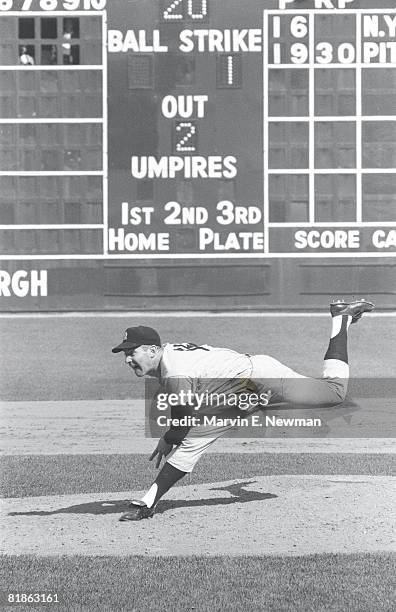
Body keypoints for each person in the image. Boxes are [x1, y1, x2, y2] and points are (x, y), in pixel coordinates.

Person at [112, 299, 374, 521]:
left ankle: (340, 320)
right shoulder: (169, 359)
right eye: (125, 353)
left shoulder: (174, 370)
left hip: (259, 378)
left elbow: (183, 419)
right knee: (193, 439)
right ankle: (147, 504)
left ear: (152, 350)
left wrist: (169, 437)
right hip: (235, 393)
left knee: (335, 392)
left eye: (131, 352)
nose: (126, 358)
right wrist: (172, 435)